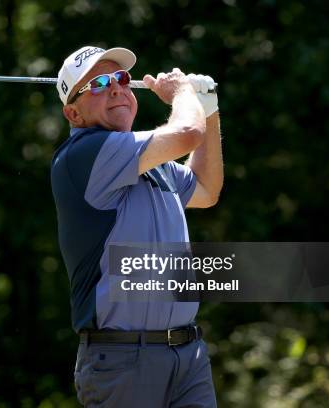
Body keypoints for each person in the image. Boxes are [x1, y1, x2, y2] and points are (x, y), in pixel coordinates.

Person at [50, 46, 223, 407]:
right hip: (122, 362)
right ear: (73, 113)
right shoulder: (83, 153)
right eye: (97, 83)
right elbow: (187, 132)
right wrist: (183, 94)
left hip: (187, 354)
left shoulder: (151, 159)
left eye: (121, 79)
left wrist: (210, 109)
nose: (115, 88)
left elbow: (206, 189)